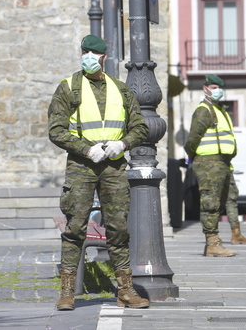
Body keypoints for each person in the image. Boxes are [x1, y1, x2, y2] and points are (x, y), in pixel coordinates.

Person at [48, 34, 150, 311]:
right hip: (82, 166)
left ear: (104, 57)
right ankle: (67, 291)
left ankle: (125, 290)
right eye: (85, 52)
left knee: (118, 228)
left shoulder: (121, 89)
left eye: (94, 53)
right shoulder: (69, 88)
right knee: (75, 227)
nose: (89, 57)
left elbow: (140, 127)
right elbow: (56, 130)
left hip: (114, 166)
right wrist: (85, 149)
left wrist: (123, 143)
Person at [183, 74, 237, 257]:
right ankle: (212, 243)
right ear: (205, 89)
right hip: (208, 162)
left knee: (219, 203)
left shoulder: (220, 110)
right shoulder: (204, 110)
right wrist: (194, 157)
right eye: (213, 87)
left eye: (219, 87)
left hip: (222, 163)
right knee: (210, 204)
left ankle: (213, 242)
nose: (217, 90)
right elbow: (192, 139)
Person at [225, 166, 246, 244]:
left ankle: (212, 237)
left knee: (210, 200)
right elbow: (231, 153)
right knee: (230, 200)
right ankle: (236, 234)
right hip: (223, 167)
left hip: (204, 169)